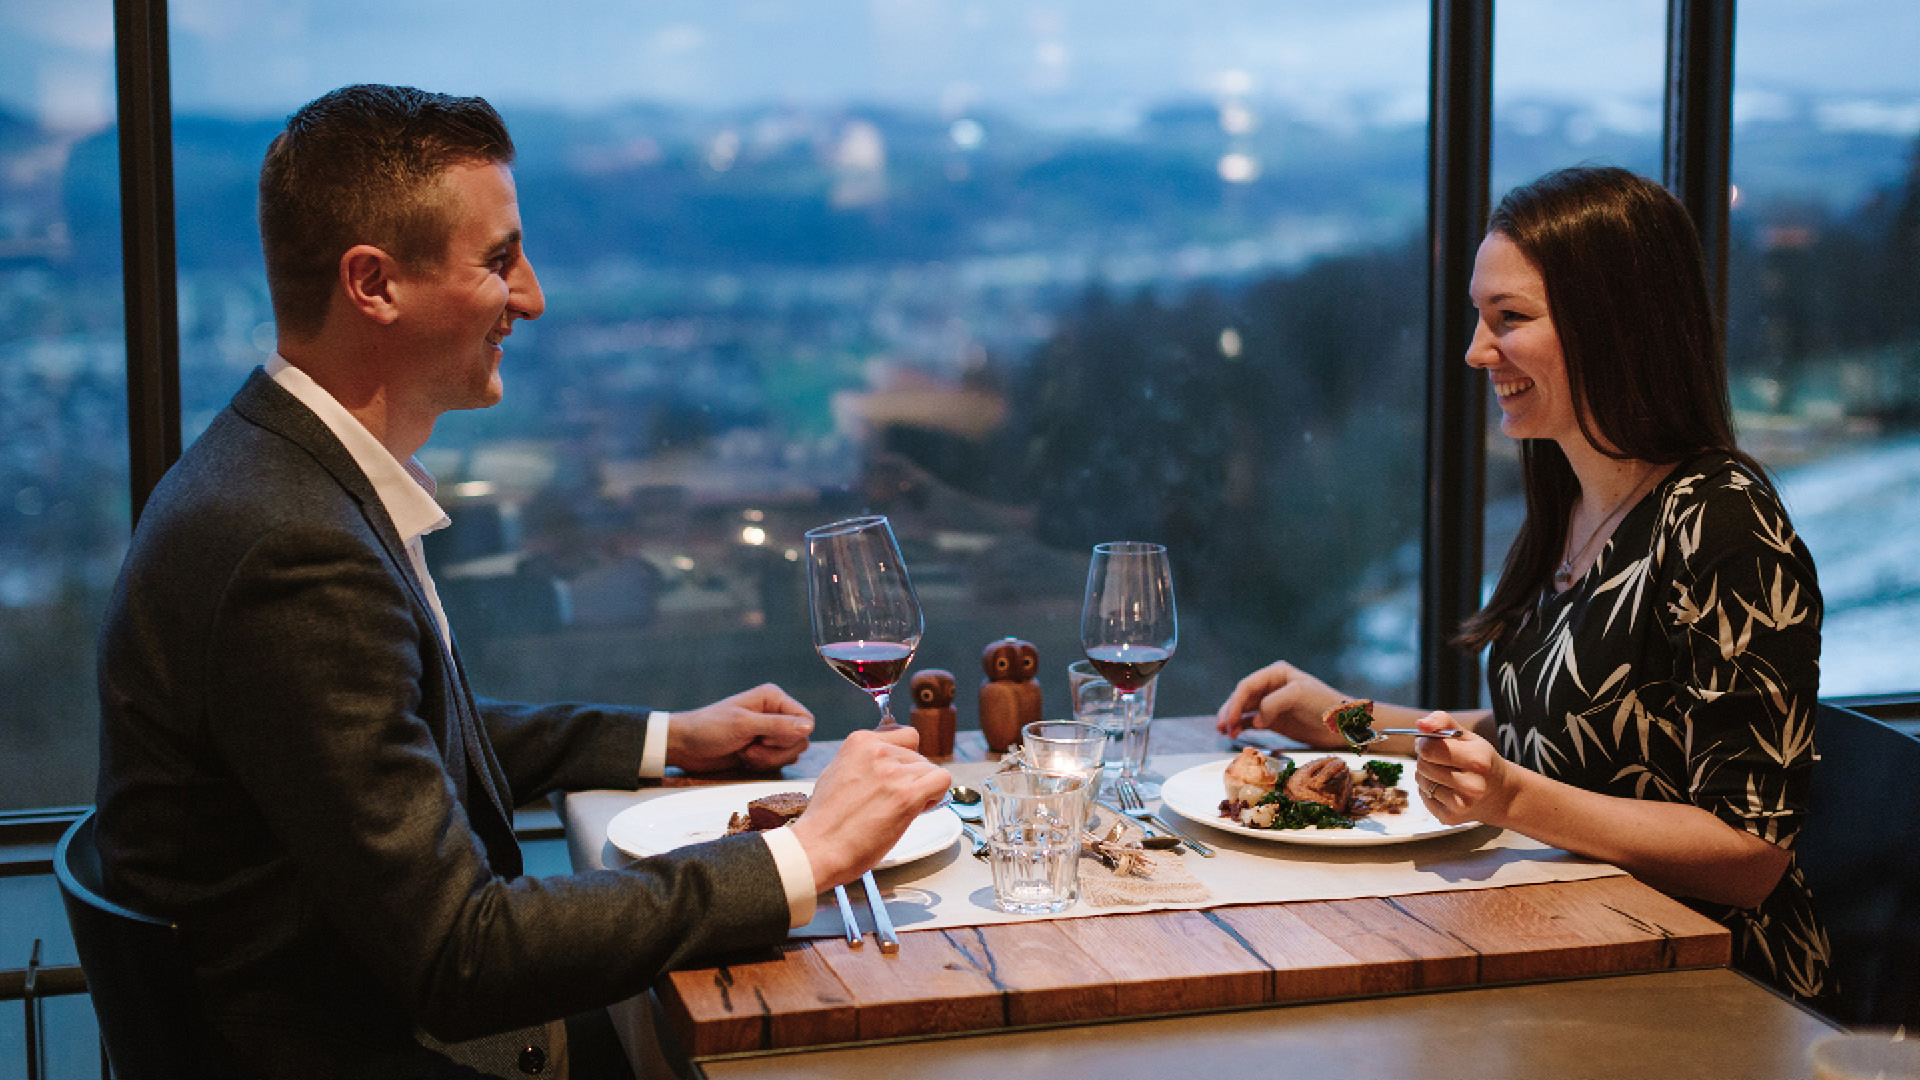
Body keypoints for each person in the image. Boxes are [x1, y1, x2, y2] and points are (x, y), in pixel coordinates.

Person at [93, 84, 951, 1079]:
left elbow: (382, 739)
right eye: (499, 260)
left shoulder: (272, 476)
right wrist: (809, 856)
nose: (532, 295)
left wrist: (667, 739)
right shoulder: (290, 547)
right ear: (374, 284)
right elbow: (465, 953)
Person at [1217, 166, 1831, 1004]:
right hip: (1573, 940)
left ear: (1611, 327)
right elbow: (1539, 733)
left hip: (1712, 985)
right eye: (1480, 317)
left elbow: (1750, 855)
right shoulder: (1574, 500)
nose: (1477, 351)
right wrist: (1345, 722)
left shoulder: (1725, 525)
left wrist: (1514, 801)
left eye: (1509, 319)